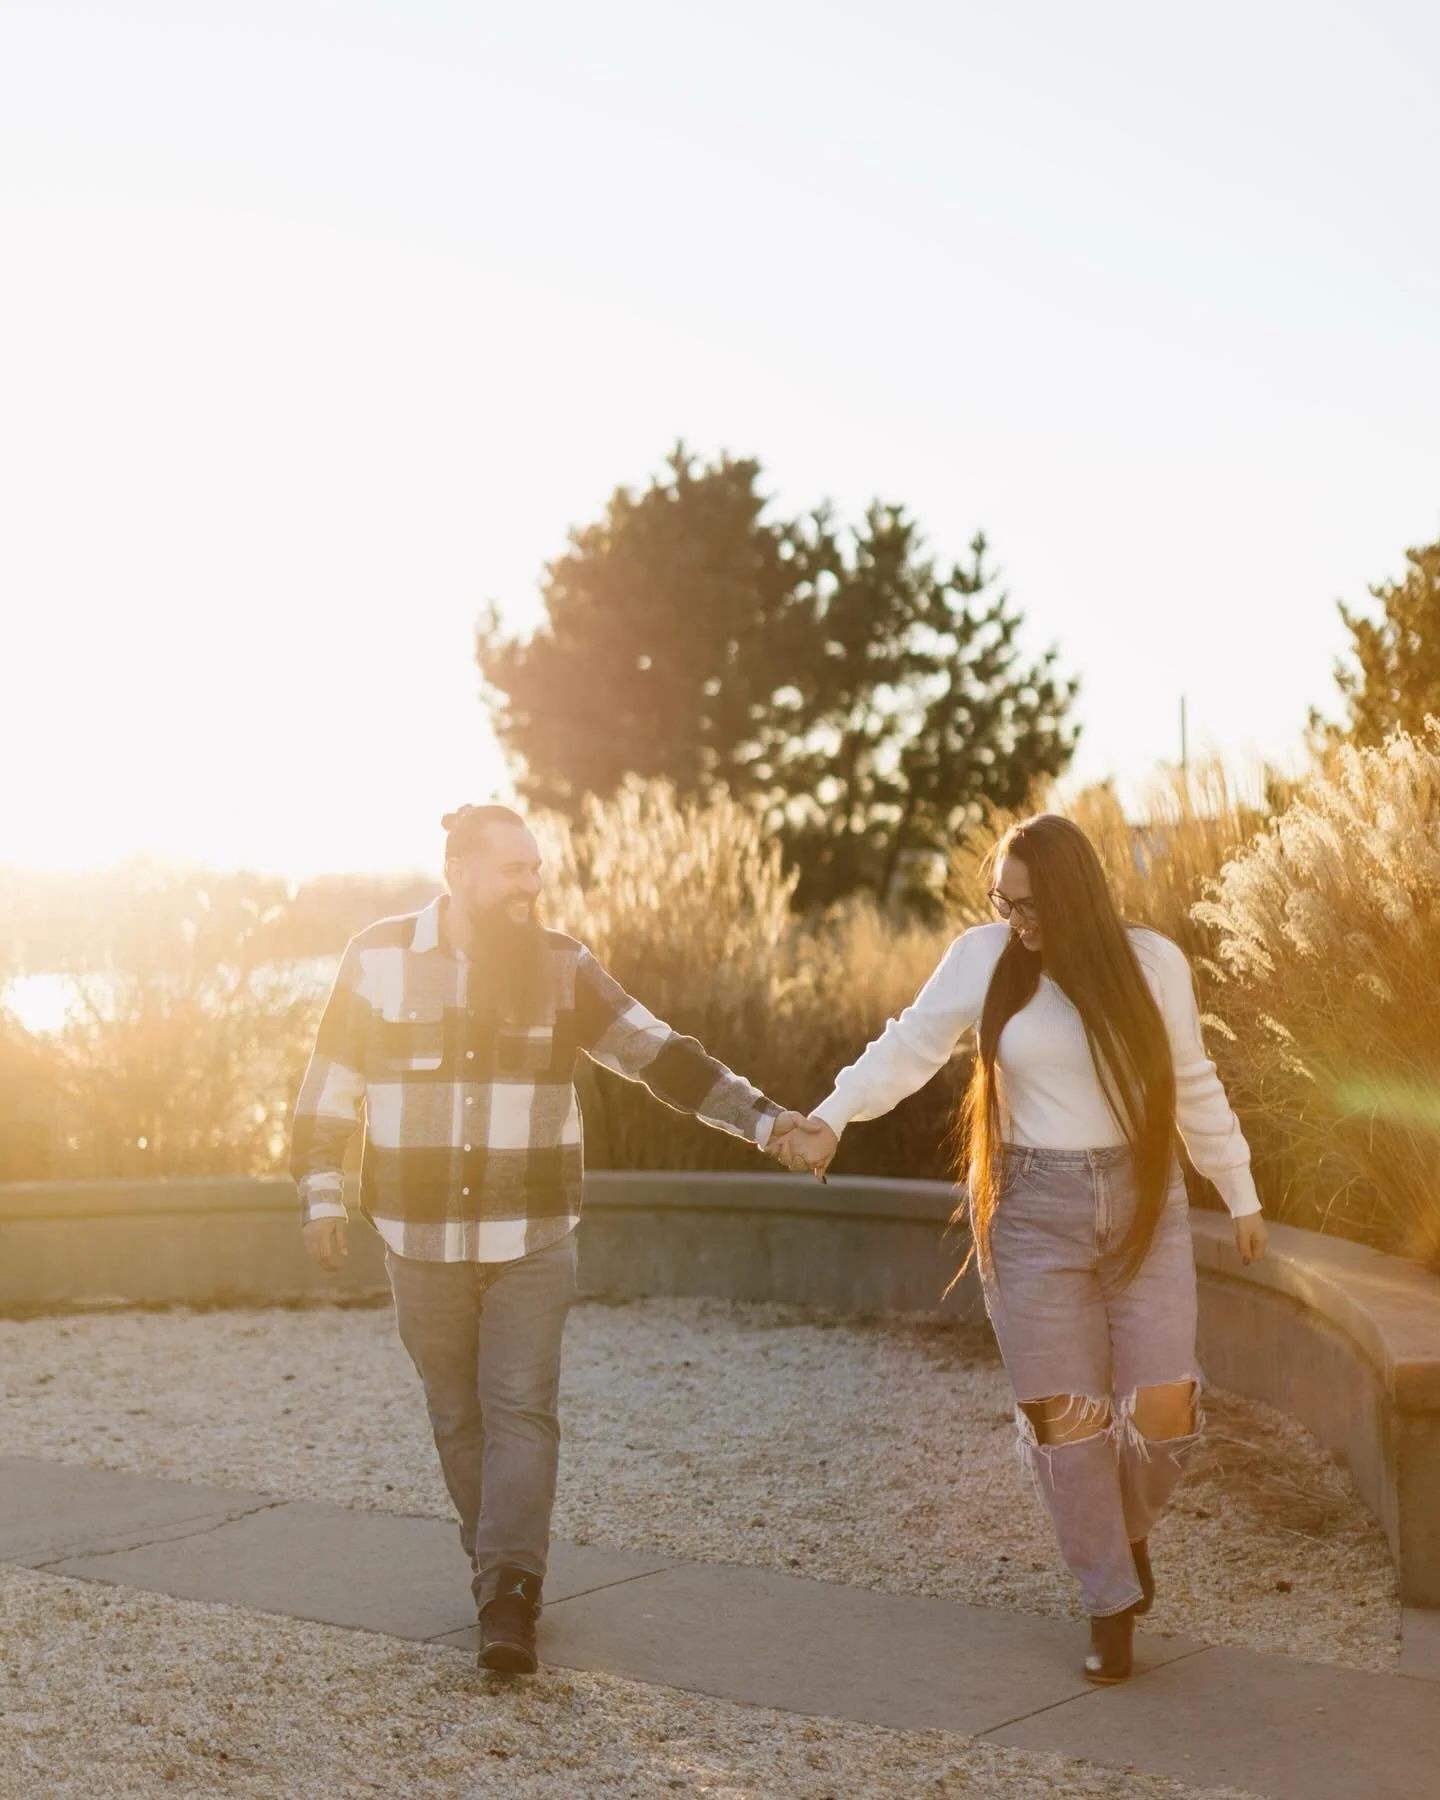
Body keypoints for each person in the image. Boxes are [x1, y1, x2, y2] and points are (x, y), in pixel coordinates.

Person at [291, 802, 803, 1674]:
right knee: (457, 1415)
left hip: (530, 1235)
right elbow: (330, 1082)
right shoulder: (375, 958)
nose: (531, 887)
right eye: (512, 871)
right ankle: (497, 1564)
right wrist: (320, 1197)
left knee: (521, 1411)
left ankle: (510, 1596)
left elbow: (657, 1055)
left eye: (536, 870)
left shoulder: (562, 967)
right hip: (418, 1237)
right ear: (458, 871)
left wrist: (766, 1121)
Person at [773, 813, 1268, 1683]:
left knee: (1167, 1405)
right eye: (1002, 898)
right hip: (1031, 1210)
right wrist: (833, 1116)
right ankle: (1108, 1600)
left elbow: (1193, 1081)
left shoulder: (1152, 964)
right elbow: (912, 1044)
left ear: (1077, 893)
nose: (1014, 917)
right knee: (1067, 1418)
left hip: (1144, 1205)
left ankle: (1124, 1530)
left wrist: (1241, 1187)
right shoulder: (983, 958)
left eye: (1030, 902)